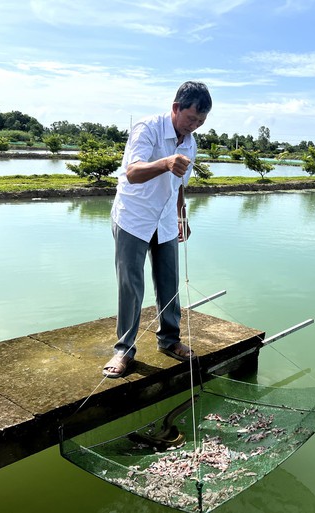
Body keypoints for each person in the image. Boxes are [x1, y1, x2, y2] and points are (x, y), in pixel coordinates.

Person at [103, 81, 212, 378]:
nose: (194, 126)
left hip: (164, 220)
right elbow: (133, 173)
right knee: (131, 285)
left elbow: (179, 185)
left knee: (168, 283)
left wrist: (182, 217)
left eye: (201, 122)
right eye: (191, 119)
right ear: (176, 108)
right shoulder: (147, 128)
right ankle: (123, 350)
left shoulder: (190, 142)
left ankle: (169, 339)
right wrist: (165, 162)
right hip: (134, 218)